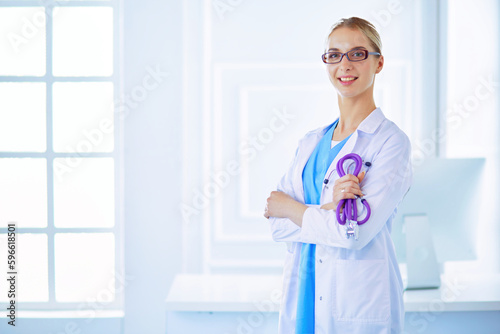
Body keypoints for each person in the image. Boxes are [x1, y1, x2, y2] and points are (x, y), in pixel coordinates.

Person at [264, 17, 412, 334]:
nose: (344, 64)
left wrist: (293, 209)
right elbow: (276, 226)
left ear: (379, 63)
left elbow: (354, 234)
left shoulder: (390, 142)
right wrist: (329, 210)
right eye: (334, 55)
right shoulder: (310, 142)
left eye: (357, 53)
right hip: (302, 299)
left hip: (355, 308)